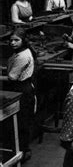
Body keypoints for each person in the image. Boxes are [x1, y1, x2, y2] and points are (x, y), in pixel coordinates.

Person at [3, 29, 36, 162]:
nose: (12, 43)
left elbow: (12, 77)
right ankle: (20, 150)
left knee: (22, 123)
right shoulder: (20, 52)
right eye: (11, 40)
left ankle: (23, 151)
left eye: (16, 40)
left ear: (23, 41)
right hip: (21, 87)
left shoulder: (22, 56)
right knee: (20, 122)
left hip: (22, 89)